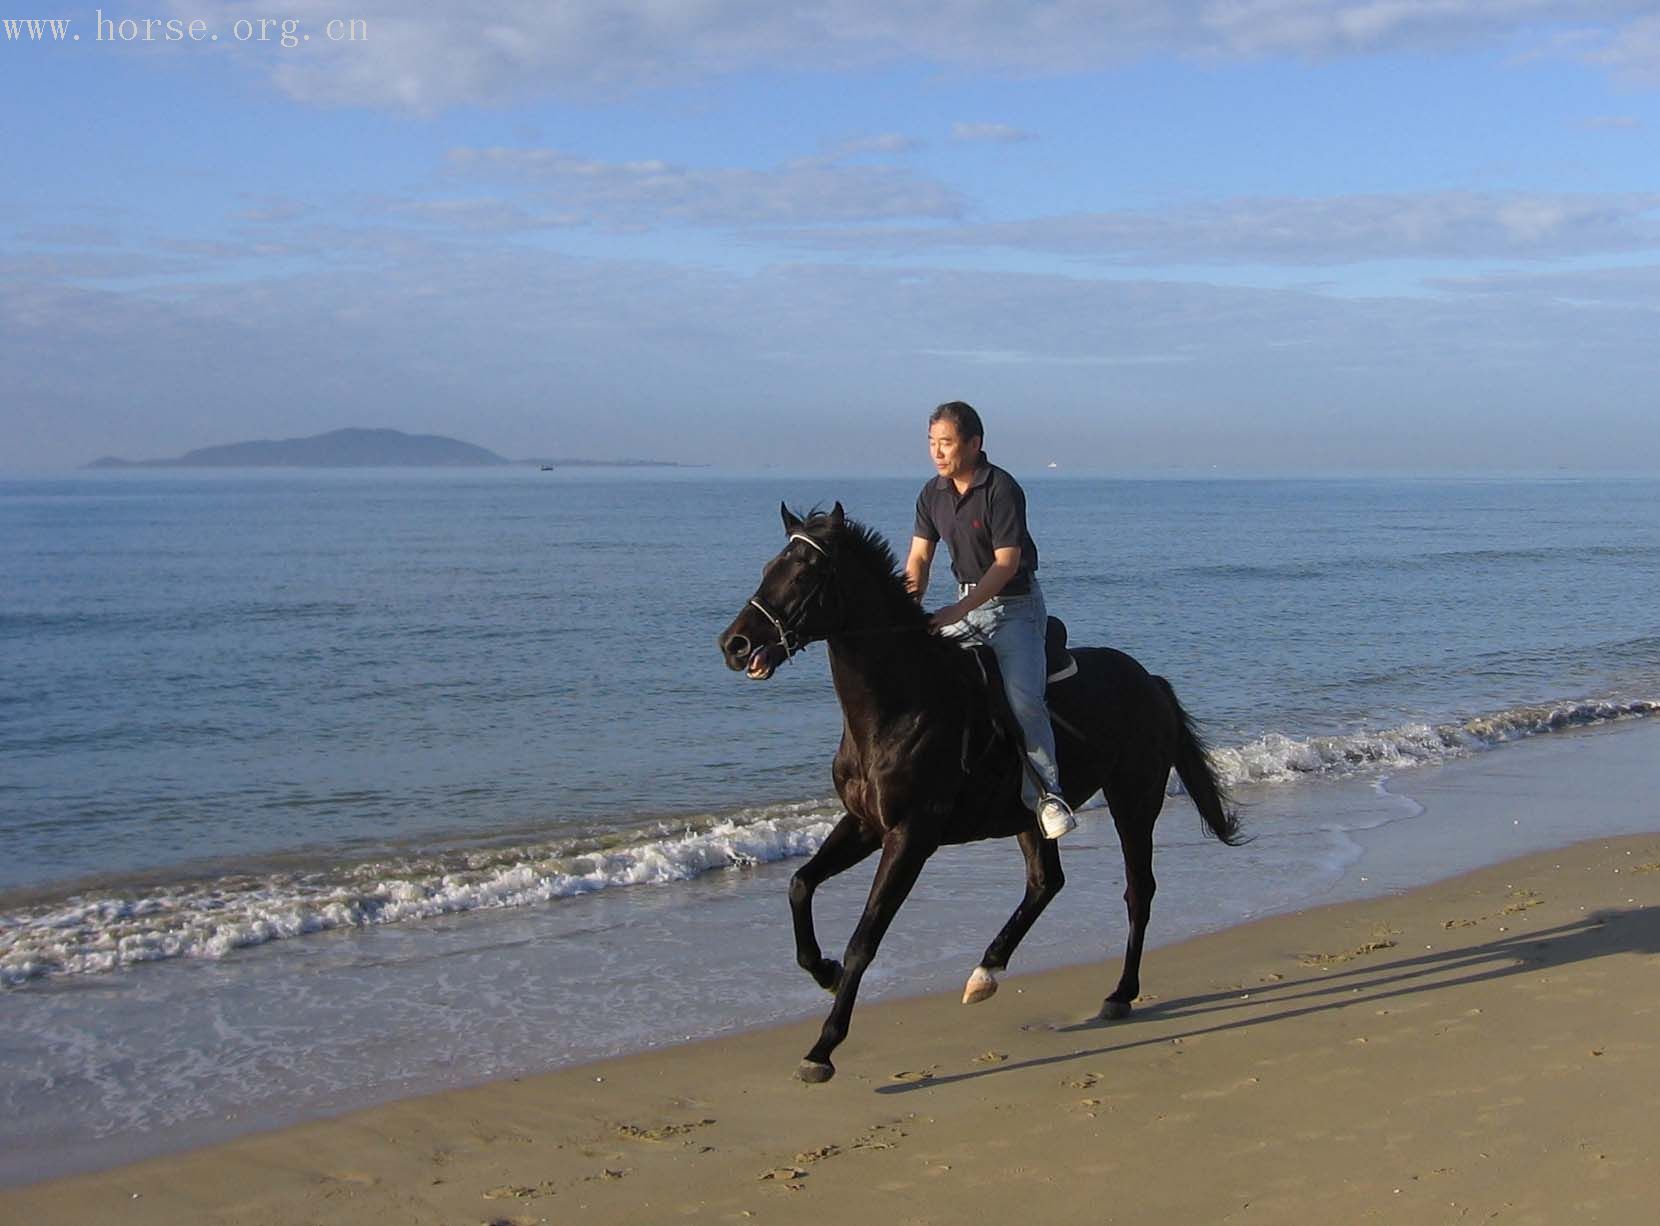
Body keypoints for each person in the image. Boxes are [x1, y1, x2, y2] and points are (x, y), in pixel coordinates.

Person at [905, 401, 1076, 839]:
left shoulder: (1001, 488)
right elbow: (920, 558)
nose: (937, 452)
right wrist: (907, 609)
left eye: (946, 443)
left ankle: (1047, 795)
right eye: (931, 443)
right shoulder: (931, 494)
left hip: (1015, 607)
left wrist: (957, 611)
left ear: (974, 444)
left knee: (1023, 702)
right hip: (964, 603)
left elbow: (1005, 564)